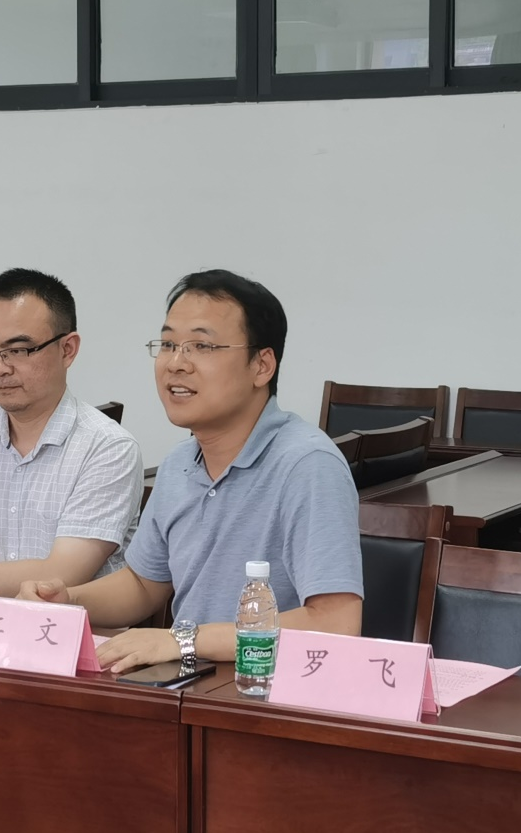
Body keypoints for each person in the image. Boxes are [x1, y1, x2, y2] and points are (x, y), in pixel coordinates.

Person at [20, 269, 363, 673]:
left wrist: (181, 640)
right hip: (193, 684)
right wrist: (70, 601)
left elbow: (336, 624)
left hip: (267, 687)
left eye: (202, 346)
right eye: (168, 344)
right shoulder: (180, 463)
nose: (176, 364)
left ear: (261, 365)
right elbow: (144, 584)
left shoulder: (307, 465)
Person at [0, 268, 142, 599]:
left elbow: (59, 577)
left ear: (67, 349)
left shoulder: (107, 448)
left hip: (70, 630)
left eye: (18, 350)